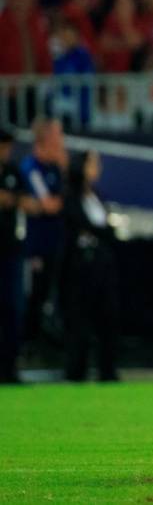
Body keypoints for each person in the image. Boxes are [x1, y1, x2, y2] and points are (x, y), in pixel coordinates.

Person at [58, 150, 120, 381]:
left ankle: (107, 370)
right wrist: (101, 232)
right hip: (79, 267)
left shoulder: (97, 196)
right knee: (79, 321)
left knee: (107, 317)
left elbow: (103, 229)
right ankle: (76, 371)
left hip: (101, 265)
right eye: (93, 164)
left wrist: (100, 233)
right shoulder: (71, 196)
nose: (98, 168)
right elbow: (81, 225)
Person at [19, 118, 66, 349]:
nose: (62, 142)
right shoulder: (31, 167)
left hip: (58, 244)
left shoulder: (57, 168)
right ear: (46, 139)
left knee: (59, 295)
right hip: (38, 246)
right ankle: (28, 345)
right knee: (36, 296)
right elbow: (50, 205)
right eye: (58, 137)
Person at [0, 130, 28, 383]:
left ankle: (10, 367)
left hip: (10, 250)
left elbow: (26, 200)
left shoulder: (12, 171)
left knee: (12, 308)